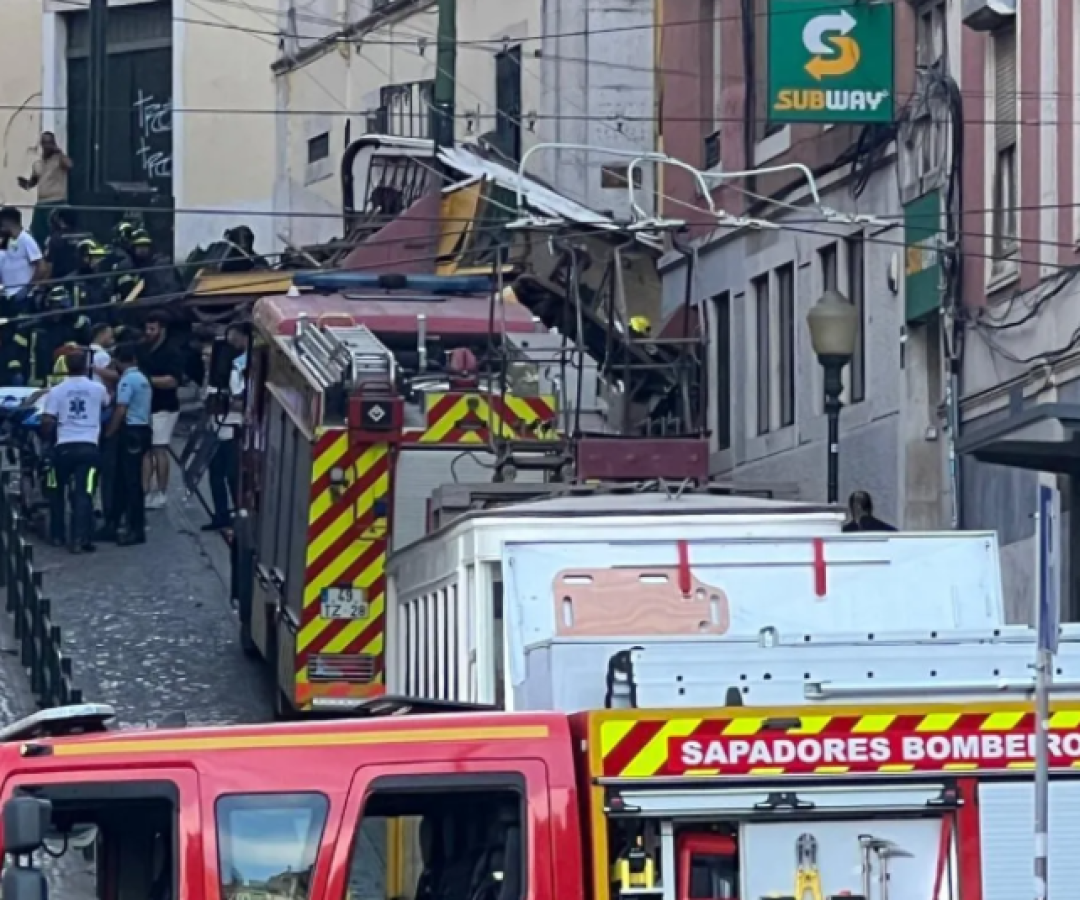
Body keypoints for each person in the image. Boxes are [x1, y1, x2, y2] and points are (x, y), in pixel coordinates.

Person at [41, 348, 108, 553]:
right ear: (86, 365)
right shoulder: (98, 389)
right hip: (89, 448)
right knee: (84, 493)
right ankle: (80, 538)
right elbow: (107, 405)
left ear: (67, 366)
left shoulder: (57, 391)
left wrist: (47, 439)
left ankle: (57, 534)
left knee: (56, 491)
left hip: (64, 448)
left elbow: (47, 420)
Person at [106, 342, 152, 545]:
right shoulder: (142, 378)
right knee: (126, 480)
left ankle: (135, 528)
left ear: (118, 362)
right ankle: (118, 523)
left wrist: (110, 432)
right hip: (142, 429)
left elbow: (121, 409)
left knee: (130, 482)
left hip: (131, 432)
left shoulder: (127, 380)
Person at [204, 324, 249, 531]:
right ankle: (220, 514)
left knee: (233, 474)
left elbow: (245, 399)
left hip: (236, 427)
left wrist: (230, 401)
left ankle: (240, 512)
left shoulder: (249, 364)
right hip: (219, 423)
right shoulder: (229, 362)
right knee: (215, 473)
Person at [138, 313, 184, 509]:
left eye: (152, 329)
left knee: (159, 449)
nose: (148, 333)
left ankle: (162, 492)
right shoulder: (143, 348)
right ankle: (145, 491)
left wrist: (147, 381)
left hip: (165, 408)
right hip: (147, 407)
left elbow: (172, 381)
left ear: (162, 330)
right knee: (147, 450)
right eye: (147, 329)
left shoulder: (172, 352)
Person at [18, 132, 72, 247]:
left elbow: (70, 165)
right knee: (37, 232)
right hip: (41, 203)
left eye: (50, 143)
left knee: (56, 232)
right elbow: (33, 182)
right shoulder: (37, 164)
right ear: (41, 144)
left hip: (57, 202)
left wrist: (59, 151)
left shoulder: (59, 160)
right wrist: (25, 184)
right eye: (45, 143)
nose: (47, 146)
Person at [0, 206, 44, 315]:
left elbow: (41, 267)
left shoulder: (26, 239)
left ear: (8, 222)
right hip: (7, 294)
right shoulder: (6, 240)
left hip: (22, 296)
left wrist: (27, 288)